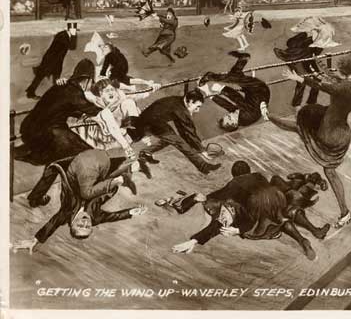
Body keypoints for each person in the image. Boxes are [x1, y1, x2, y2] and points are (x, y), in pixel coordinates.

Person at [262, 44, 351, 227]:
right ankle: (344, 212)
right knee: (329, 171)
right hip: (342, 133)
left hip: (328, 132)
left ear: (343, 72)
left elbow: (321, 85)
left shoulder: (341, 88)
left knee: (300, 127)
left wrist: (298, 78)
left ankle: (269, 116)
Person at [171, 161, 330, 260]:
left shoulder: (234, 184)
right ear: (249, 170)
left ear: (234, 175)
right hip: (277, 198)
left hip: (257, 214)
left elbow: (218, 197)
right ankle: (312, 233)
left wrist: (203, 199)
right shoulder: (259, 176)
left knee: (270, 217)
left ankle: (302, 238)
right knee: (284, 212)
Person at [11, 150, 148, 253]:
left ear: (72, 225)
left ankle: (124, 174)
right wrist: (131, 212)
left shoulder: (65, 214)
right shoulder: (96, 217)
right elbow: (113, 217)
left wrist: (35, 240)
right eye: (87, 227)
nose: (85, 222)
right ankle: (135, 165)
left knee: (87, 192)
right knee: (111, 174)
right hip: (101, 178)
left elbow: (51, 225)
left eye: (80, 226)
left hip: (77, 173)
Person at [18, 59, 102, 208]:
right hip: (48, 132)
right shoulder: (74, 92)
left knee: (56, 158)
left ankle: (35, 197)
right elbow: (94, 111)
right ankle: (85, 194)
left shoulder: (61, 88)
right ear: (88, 79)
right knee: (86, 152)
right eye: (91, 82)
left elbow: (65, 107)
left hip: (31, 128)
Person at [130, 89, 221, 174]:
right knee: (178, 141)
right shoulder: (180, 110)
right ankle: (203, 166)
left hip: (153, 122)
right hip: (148, 124)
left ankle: (146, 152)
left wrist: (196, 146)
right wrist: (201, 150)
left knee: (173, 138)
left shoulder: (178, 101)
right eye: (197, 107)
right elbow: (189, 131)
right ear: (190, 102)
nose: (198, 110)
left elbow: (183, 130)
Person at [274, 16, 340, 107]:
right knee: (302, 80)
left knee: (317, 79)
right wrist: (304, 35)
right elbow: (290, 44)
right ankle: (297, 105)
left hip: (306, 59)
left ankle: (311, 102)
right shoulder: (303, 38)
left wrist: (317, 72)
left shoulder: (320, 43)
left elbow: (312, 58)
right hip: (294, 59)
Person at [198, 51, 270, 133]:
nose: (230, 114)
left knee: (235, 74)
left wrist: (208, 92)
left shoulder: (238, 118)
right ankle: (210, 76)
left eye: (227, 115)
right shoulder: (245, 116)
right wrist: (221, 88)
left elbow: (226, 105)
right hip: (259, 89)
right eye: (229, 117)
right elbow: (237, 98)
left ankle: (243, 58)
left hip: (252, 92)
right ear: (235, 124)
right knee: (232, 78)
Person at [26, 22, 78, 99]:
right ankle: (30, 92)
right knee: (40, 76)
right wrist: (73, 36)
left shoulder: (68, 35)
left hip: (57, 60)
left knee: (55, 78)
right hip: (50, 59)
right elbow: (70, 46)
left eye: (75, 30)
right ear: (69, 29)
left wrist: (74, 35)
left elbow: (73, 47)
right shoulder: (62, 36)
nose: (75, 32)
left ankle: (55, 95)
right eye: (73, 30)